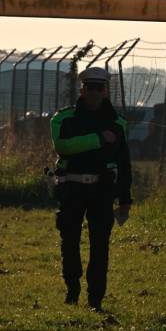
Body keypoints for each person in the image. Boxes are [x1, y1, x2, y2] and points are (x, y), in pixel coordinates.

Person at [50, 66, 132, 312]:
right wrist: (98, 139)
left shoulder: (117, 123)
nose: (94, 93)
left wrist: (125, 198)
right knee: (70, 240)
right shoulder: (63, 119)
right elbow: (63, 147)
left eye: (99, 88)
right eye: (90, 88)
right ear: (82, 89)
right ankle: (72, 290)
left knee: (100, 246)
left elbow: (123, 162)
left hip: (102, 190)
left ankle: (96, 299)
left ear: (105, 91)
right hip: (72, 187)